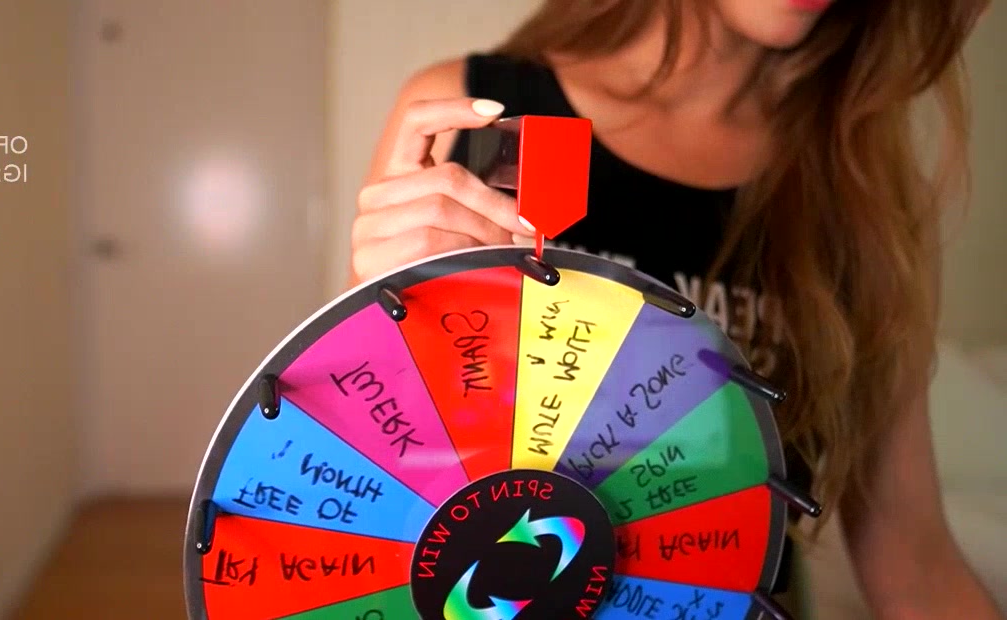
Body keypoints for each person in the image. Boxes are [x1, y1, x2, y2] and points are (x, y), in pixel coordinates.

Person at [347, 0, 1001, 618]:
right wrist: (373, 324)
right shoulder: (481, 119)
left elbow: (911, 560)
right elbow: (359, 485)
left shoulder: (862, 189)